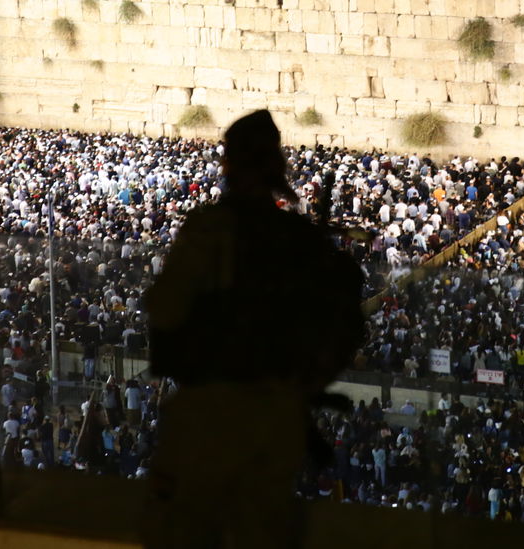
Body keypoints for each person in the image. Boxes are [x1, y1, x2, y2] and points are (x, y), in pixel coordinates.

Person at [143, 109, 363, 548]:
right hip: (274, 414)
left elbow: (164, 311)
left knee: (182, 527)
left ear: (230, 164)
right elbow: (342, 326)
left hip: (208, 409)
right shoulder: (299, 238)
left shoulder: (207, 230)